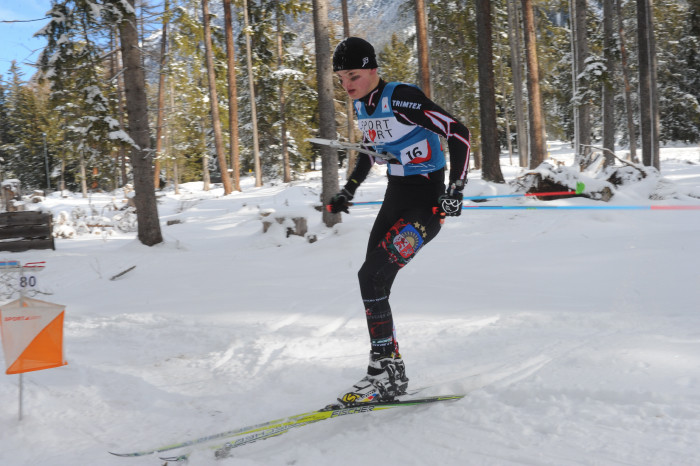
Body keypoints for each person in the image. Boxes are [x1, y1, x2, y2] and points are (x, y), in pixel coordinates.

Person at [327, 37, 472, 405]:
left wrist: (455, 188)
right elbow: (369, 152)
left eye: (354, 75)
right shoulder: (363, 107)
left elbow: (459, 133)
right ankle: (384, 369)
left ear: (374, 70)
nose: (347, 85)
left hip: (426, 205)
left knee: (371, 276)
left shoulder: (402, 98)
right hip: (396, 198)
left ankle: (388, 371)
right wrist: (349, 190)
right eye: (341, 78)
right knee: (374, 282)